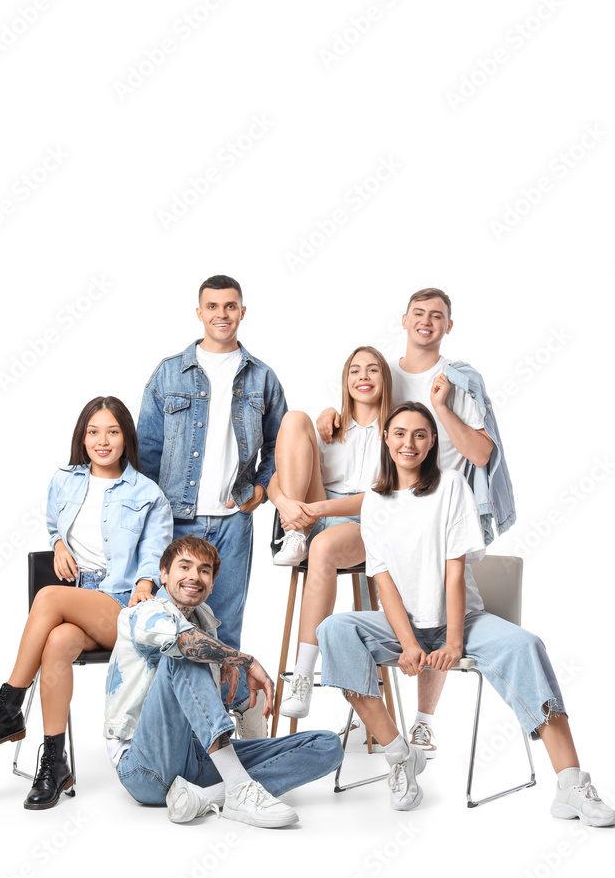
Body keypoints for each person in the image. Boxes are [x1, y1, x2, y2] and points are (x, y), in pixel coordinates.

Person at [314, 403, 615, 826]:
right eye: (400, 433)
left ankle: (571, 785)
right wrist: (406, 644)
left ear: (432, 441)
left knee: (526, 645)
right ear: (386, 438)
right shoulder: (374, 503)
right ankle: (401, 757)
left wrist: (454, 641)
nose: (409, 442)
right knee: (334, 629)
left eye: (420, 434)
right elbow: (383, 582)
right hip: (402, 624)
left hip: (462, 621)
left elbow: (453, 573)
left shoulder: (452, 486)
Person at [316, 287, 515, 759]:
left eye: (438, 316)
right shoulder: (385, 373)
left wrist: (442, 408)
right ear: (404, 320)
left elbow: (483, 454)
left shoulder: (455, 381)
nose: (427, 322)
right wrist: (331, 411)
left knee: (438, 612)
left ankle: (422, 724)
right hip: (383, 507)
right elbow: (358, 411)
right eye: (419, 314)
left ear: (449, 326)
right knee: (381, 613)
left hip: (443, 512)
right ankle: (375, 720)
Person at [0, 396, 172, 811]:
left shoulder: (148, 493)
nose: (102, 441)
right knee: (56, 644)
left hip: (121, 605)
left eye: (112, 431)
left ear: (126, 438)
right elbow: (56, 522)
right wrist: (57, 544)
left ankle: (9, 706)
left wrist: (145, 584)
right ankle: (55, 762)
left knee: (48, 596)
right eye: (93, 432)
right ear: (82, 437)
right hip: (77, 604)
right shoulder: (65, 480)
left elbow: (155, 554)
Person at [136, 274, 287, 738]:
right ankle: (169, 733)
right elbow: (147, 450)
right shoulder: (169, 372)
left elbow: (283, 443)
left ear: (243, 312)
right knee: (171, 633)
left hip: (233, 524)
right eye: (213, 306)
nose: (222, 314)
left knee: (225, 629)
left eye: (231, 306)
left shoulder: (261, 376)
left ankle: (235, 731)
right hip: (178, 521)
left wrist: (260, 489)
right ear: (199, 312)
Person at [106, 535, 343, 828]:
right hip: (144, 767)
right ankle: (239, 788)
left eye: (204, 570)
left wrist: (223, 660)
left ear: (212, 582)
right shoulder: (144, 611)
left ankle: (208, 797)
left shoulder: (204, 617)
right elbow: (184, 642)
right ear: (164, 574)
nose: (195, 576)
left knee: (327, 745)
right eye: (184, 566)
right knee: (183, 651)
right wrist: (243, 660)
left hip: (196, 759)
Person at [266, 346, 393, 719]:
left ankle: (302, 677)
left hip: (360, 523)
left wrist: (313, 511)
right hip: (307, 517)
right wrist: (286, 506)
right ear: (345, 381)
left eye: (373, 370)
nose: (364, 377)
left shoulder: (396, 430)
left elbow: (381, 498)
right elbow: (279, 478)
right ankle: (294, 535)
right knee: (293, 419)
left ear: (385, 379)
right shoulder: (330, 427)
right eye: (355, 371)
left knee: (322, 547)